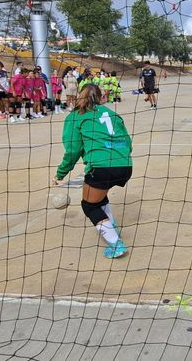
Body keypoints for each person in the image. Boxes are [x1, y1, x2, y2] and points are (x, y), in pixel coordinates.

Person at [54, 84, 133, 259]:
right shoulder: (112, 114)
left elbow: (73, 150)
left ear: (80, 96)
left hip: (101, 167)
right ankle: (112, 229)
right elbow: (128, 141)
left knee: (89, 205)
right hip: (125, 165)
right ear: (100, 97)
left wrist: (61, 172)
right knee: (99, 197)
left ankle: (116, 244)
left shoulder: (76, 116)